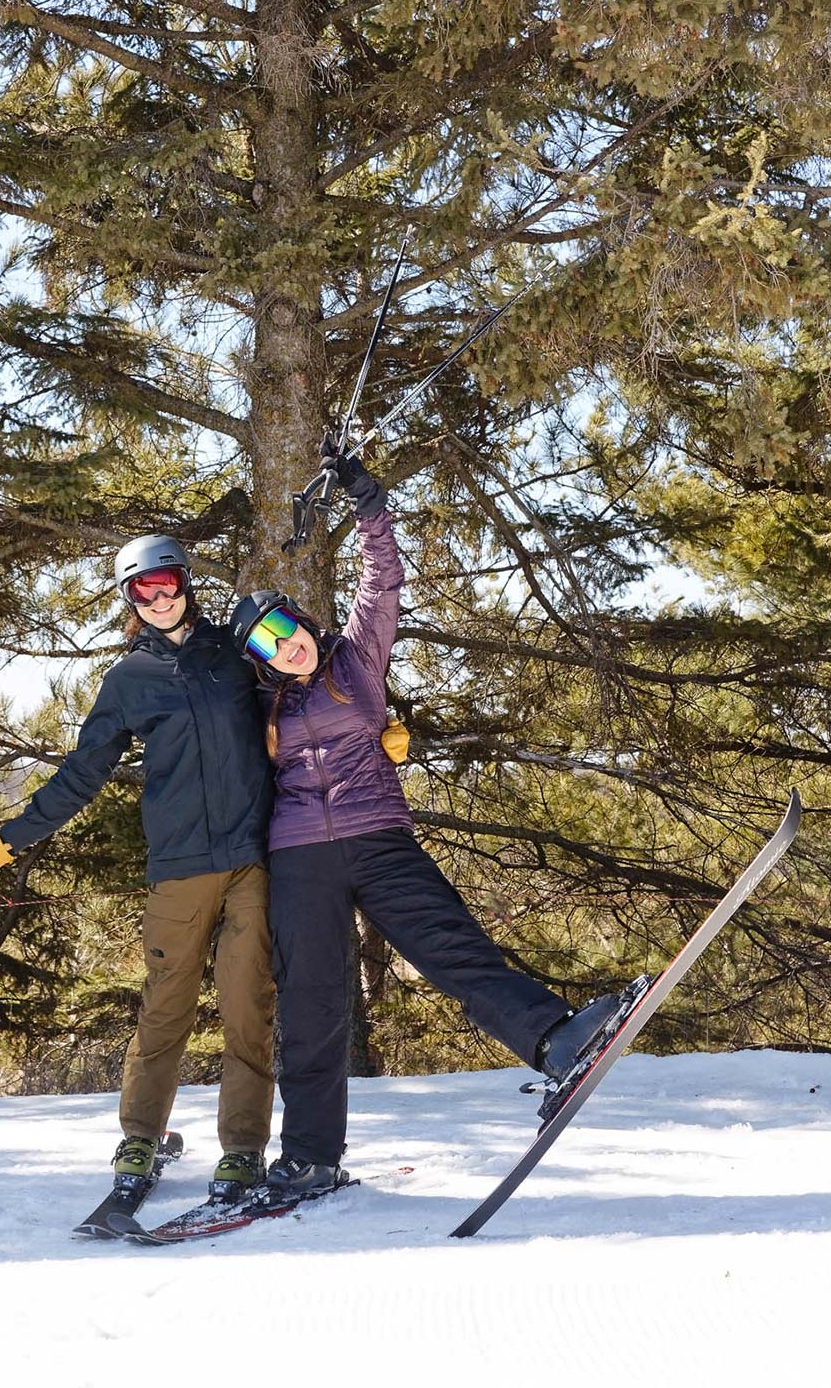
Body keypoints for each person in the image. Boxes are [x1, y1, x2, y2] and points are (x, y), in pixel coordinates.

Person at [231, 444, 643, 1200]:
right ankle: (310, 1156)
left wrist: (366, 500)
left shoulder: (354, 660)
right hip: (300, 859)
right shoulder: (263, 707)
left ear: (302, 619)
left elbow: (382, 579)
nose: (283, 644)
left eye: (283, 625)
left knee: (452, 948)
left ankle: (557, 1040)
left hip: (378, 837)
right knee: (312, 1004)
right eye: (263, 643)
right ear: (256, 660)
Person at [0, 534, 277, 1210]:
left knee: (249, 1009)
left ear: (187, 582)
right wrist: (9, 840)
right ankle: (140, 1135)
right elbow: (84, 772)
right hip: (180, 867)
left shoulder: (236, 651)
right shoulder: (129, 680)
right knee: (166, 1009)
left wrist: (372, 731)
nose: (159, 598)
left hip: (253, 859)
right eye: (142, 590)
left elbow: (307, 683)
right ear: (129, 599)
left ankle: (243, 1148)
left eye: (168, 583)